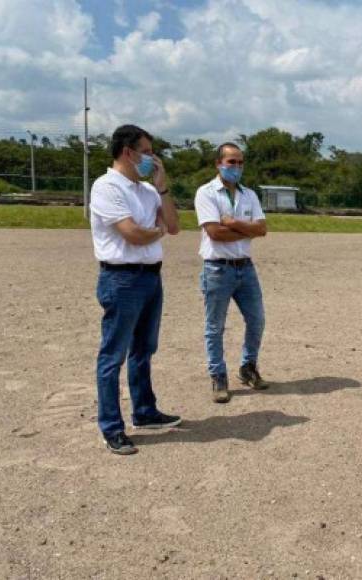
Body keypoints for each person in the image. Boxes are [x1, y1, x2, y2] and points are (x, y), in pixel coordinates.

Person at [89, 124, 181, 455]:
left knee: (144, 349)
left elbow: (173, 226)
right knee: (113, 354)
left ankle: (144, 412)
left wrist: (163, 187)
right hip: (121, 278)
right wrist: (155, 230)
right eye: (147, 151)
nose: (151, 158)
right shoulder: (106, 187)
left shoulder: (146, 191)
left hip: (150, 277)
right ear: (128, 152)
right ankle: (111, 427)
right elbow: (132, 234)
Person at [194, 143, 268, 403]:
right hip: (217, 268)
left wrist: (233, 223)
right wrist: (246, 229)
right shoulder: (206, 193)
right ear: (218, 163)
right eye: (231, 162)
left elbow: (262, 229)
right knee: (215, 326)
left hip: (245, 267)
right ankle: (218, 375)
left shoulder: (249, 195)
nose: (236, 167)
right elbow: (214, 232)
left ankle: (248, 367)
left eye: (240, 162)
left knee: (257, 320)